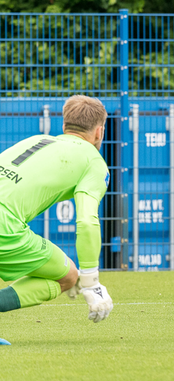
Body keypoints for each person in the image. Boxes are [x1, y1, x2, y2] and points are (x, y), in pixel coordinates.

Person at [0, 95, 114, 345]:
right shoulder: (94, 162)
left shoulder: (35, 140)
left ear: (64, 126)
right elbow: (86, 221)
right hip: (3, 226)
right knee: (67, 276)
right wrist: (91, 282)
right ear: (99, 132)